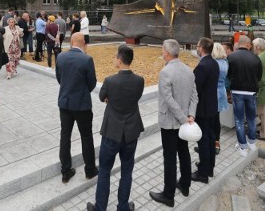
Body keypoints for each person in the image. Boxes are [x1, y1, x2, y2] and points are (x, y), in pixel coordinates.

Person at [87, 45, 144, 211]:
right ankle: (123, 207)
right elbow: (136, 97)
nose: (114, 60)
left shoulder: (110, 81)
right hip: (131, 131)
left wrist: (109, 99)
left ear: (119, 60)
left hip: (112, 131)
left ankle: (100, 207)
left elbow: (101, 97)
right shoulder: (139, 80)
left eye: (115, 57)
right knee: (127, 171)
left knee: (104, 170)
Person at [149, 39, 198, 208]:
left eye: (163, 50)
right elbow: (194, 96)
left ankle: (168, 195)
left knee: (170, 157)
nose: (162, 52)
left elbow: (168, 99)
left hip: (171, 122)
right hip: (184, 121)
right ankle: (185, 185)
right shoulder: (188, 70)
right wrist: (190, 115)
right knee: (184, 152)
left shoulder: (166, 72)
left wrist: (184, 117)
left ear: (168, 53)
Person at [56, 32, 98, 183]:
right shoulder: (86, 59)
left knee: (65, 136)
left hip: (65, 103)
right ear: (84, 43)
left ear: (71, 42)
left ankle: (65, 171)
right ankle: (90, 170)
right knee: (86, 136)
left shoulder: (60, 56)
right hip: (81, 104)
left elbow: (59, 78)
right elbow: (92, 83)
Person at [227, 36, 262, 157]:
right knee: (251, 118)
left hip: (237, 91)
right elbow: (259, 76)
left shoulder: (231, 57)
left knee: (239, 119)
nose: (251, 46)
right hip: (252, 92)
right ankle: (252, 143)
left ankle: (243, 147)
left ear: (238, 44)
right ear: (247, 44)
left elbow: (228, 74)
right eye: (250, 44)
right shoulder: (256, 57)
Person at [192, 37, 219, 184]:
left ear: (202, 48)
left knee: (203, 140)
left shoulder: (202, 66)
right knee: (210, 138)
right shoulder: (214, 63)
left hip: (203, 108)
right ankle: (209, 166)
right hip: (212, 106)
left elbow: (196, 89)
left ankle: (203, 173)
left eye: (197, 46)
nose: (196, 48)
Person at [212, 42, 229, 154]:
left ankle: (213, 143)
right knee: (216, 119)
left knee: (211, 120)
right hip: (221, 91)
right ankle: (216, 142)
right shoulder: (225, 62)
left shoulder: (214, 63)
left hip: (213, 92)